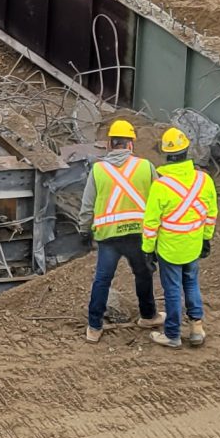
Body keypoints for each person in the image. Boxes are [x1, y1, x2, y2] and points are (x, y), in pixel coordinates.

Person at [81, 118, 158, 344]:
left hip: (109, 237)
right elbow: (158, 200)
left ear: (109, 145)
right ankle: (147, 315)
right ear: (131, 145)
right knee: (143, 274)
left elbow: (87, 206)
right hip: (138, 235)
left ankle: (94, 327)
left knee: (102, 280)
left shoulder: (98, 170)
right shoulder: (145, 166)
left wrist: (84, 230)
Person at [144, 126, 218, 349]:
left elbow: (151, 223)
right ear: (187, 152)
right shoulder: (204, 180)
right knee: (192, 283)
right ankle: (197, 328)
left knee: (173, 290)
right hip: (193, 243)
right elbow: (211, 212)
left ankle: (173, 334)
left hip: (169, 248)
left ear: (167, 155)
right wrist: (206, 238)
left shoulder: (160, 185)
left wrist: (147, 249)